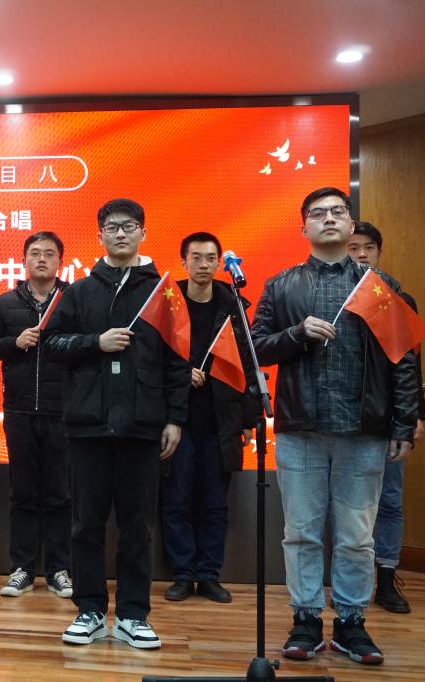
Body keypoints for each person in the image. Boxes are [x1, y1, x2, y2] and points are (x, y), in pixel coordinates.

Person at [251, 188, 419, 665]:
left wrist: (404, 422)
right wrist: (297, 334)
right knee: (300, 532)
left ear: (350, 224)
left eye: (338, 212)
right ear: (304, 227)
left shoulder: (380, 285)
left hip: (364, 431)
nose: (329, 219)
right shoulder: (282, 285)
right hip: (300, 431)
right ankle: (305, 618)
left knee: (357, 536)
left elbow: (404, 359)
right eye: (318, 213)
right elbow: (255, 347)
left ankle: (351, 622)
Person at [43, 199, 189, 649]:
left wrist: (175, 418)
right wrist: (95, 342)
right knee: (85, 525)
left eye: (129, 226)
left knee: (137, 527)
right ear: (100, 235)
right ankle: (89, 611)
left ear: (143, 232)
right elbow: (51, 344)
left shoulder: (163, 291)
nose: (120, 233)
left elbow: (177, 360)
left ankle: (132, 614)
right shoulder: (79, 291)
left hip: (143, 426)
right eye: (111, 227)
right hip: (87, 425)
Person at [162, 232, 258, 604]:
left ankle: (209, 575)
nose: (204, 265)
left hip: (222, 420)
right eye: (196, 257)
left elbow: (247, 362)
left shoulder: (232, 305)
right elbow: (153, 357)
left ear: (220, 263)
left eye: (211, 258)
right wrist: (180, 374)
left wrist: (248, 419)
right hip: (178, 420)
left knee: (215, 503)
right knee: (177, 500)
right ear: (183, 262)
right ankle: (182, 575)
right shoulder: (168, 302)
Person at [0, 231, 72, 599]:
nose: (42, 259)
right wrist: (14, 343)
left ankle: (59, 569)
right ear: (23, 261)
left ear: (60, 262)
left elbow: (87, 347)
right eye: (35, 253)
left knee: (60, 493)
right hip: (19, 411)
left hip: (62, 411)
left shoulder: (72, 300)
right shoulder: (6, 303)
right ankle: (21, 568)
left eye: (49, 254)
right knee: (23, 492)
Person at [347, 220, 425, 614]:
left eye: (369, 248)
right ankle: (347, 580)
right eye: (353, 248)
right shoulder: (331, 296)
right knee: (347, 505)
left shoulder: (398, 297)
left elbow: (411, 362)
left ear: (379, 252)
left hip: (390, 417)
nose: (361, 254)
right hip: (346, 420)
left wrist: (414, 414)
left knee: (390, 500)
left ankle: (386, 578)